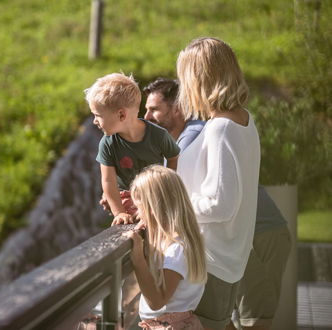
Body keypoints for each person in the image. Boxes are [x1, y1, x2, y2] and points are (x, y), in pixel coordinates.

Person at [143, 78, 291, 330]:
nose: (146, 117)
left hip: (259, 234)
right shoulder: (191, 136)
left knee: (254, 321)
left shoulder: (195, 136)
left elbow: (175, 193)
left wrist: (147, 204)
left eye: (154, 109)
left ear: (177, 107)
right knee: (225, 320)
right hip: (233, 238)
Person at [175, 37, 261, 330]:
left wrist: (170, 207)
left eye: (184, 77)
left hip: (208, 267)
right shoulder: (243, 121)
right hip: (221, 263)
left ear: (199, 79)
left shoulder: (222, 128)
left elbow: (220, 204)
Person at [84, 73, 180, 226]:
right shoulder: (107, 144)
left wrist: (167, 185)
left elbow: (173, 157)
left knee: (159, 223)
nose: (95, 121)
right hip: (127, 198)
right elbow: (108, 181)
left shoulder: (158, 135)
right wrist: (119, 212)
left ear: (121, 114)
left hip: (154, 194)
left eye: (97, 115)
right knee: (133, 230)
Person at [124, 165, 206, 330]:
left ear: (153, 208)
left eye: (140, 208)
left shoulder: (177, 250)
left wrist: (138, 259)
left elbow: (157, 301)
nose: (137, 215)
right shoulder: (174, 242)